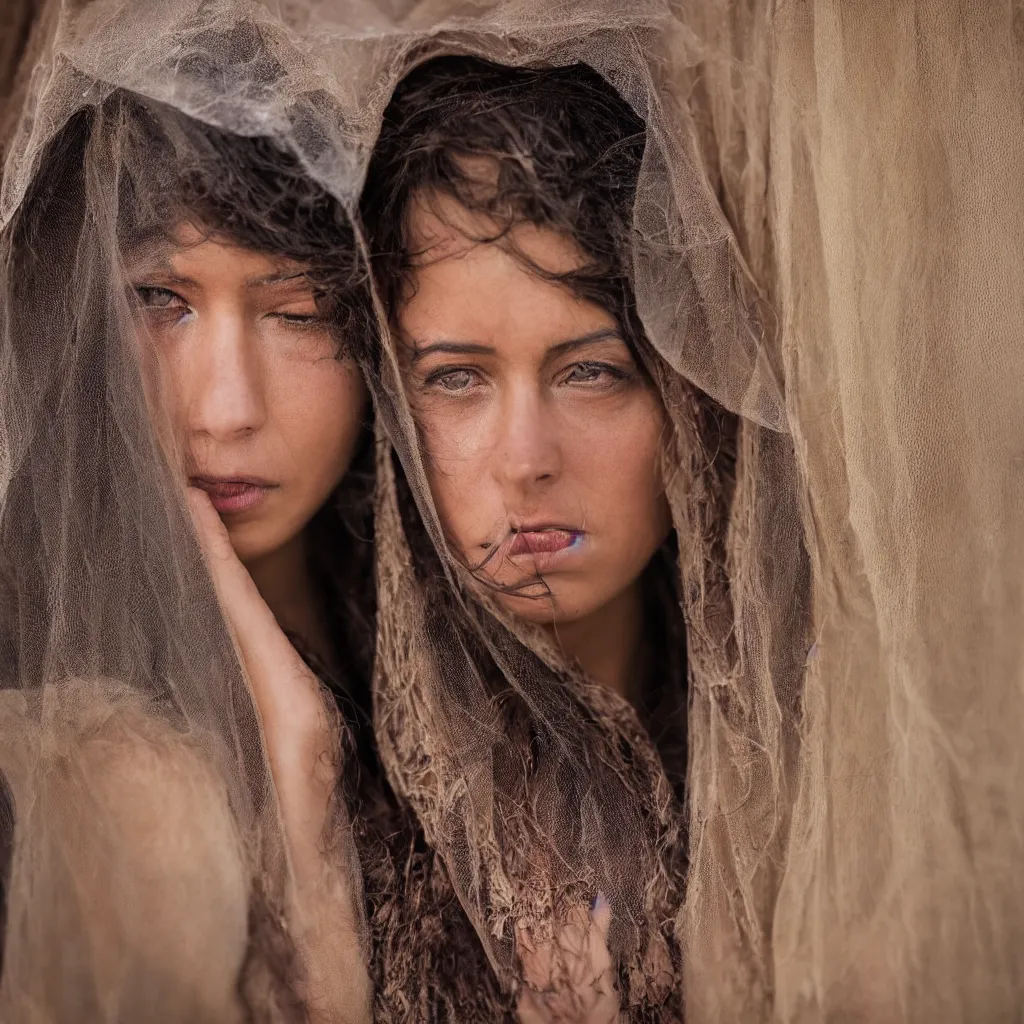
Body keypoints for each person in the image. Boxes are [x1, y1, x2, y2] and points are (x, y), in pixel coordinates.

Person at [361, 55, 698, 1021]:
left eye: (592, 371)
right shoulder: (334, 812)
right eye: (456, 378)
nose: (525, 459)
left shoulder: (809, 765)